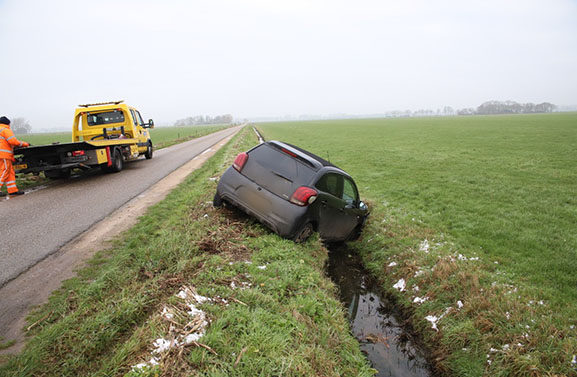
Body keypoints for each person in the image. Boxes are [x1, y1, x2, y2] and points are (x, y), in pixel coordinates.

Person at [0, 116, 30, 196]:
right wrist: (25, 144)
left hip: (2, 155)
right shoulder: (5, 129)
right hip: (4, 155)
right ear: (8, 123)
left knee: (9, 172)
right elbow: (13, 141)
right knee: (5, 171)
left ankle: (12, 190)